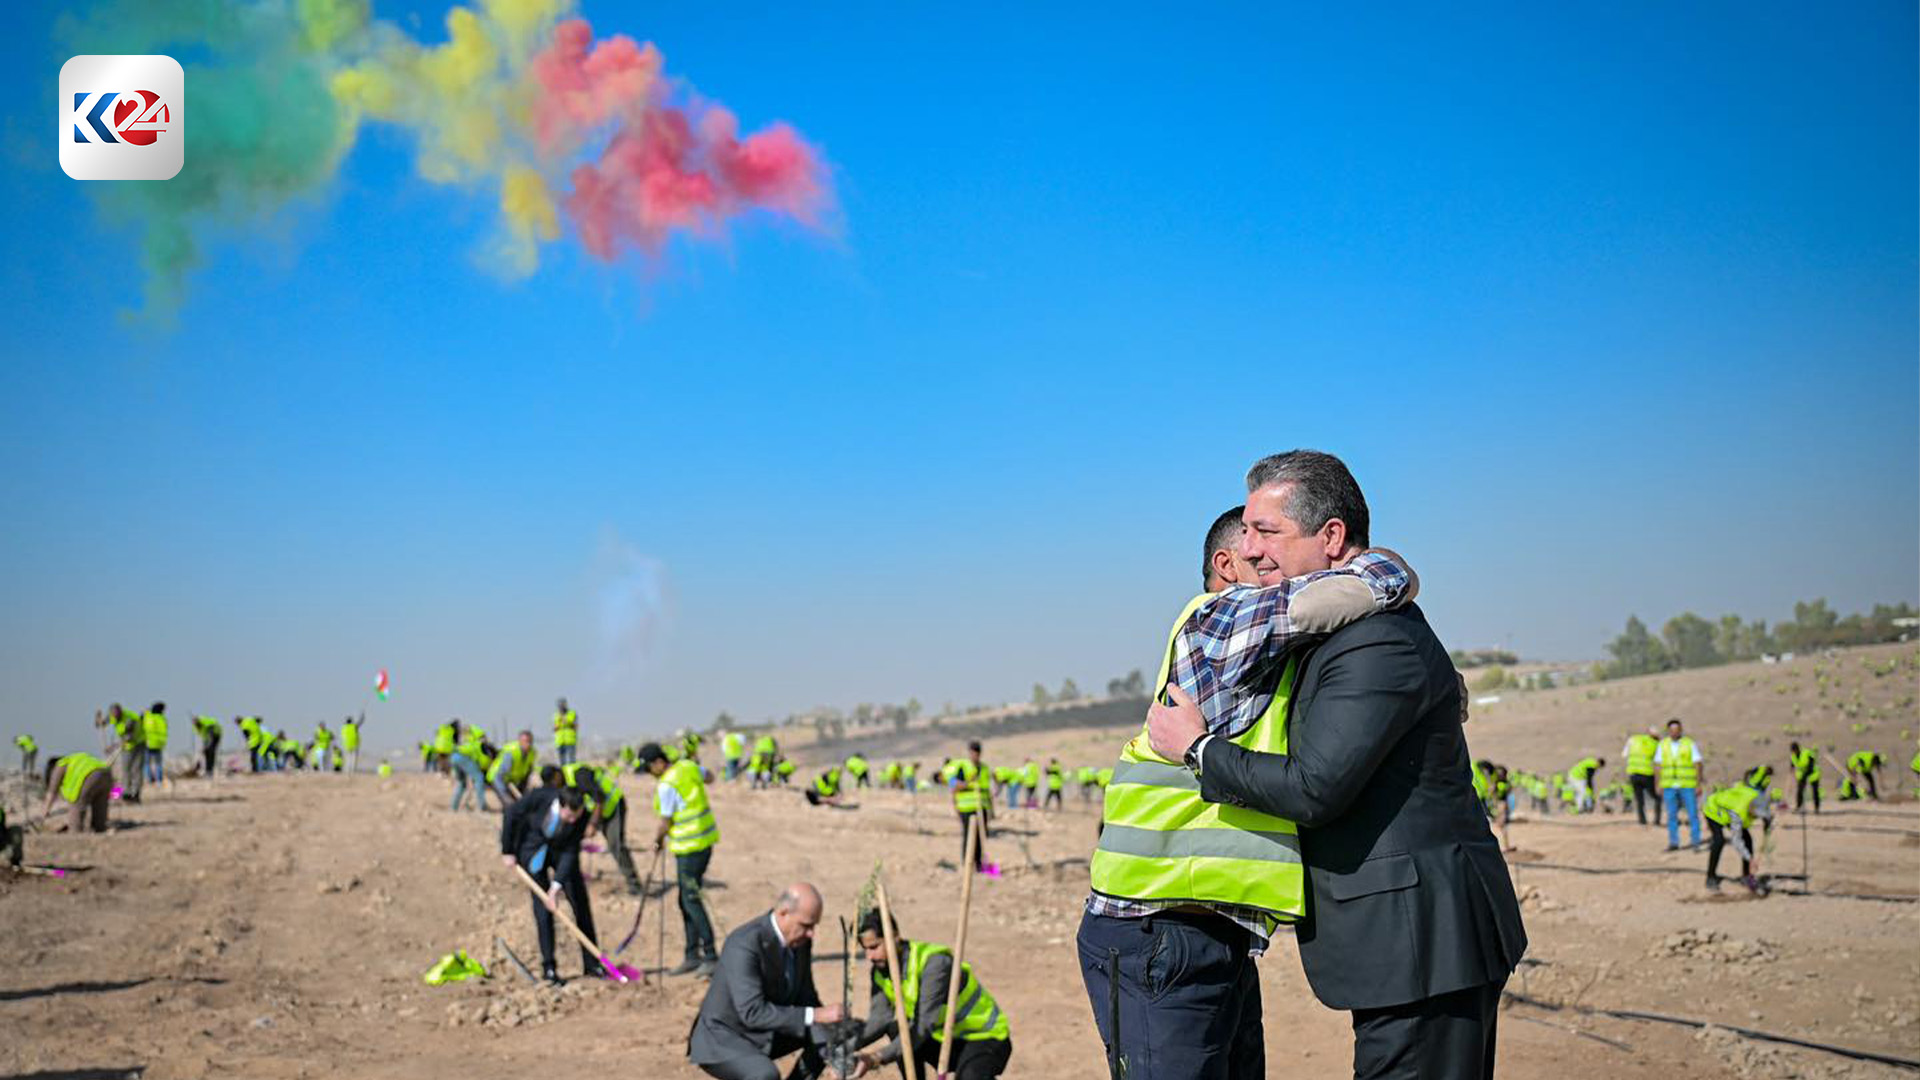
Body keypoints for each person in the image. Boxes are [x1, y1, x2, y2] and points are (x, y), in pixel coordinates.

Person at [1144, 451, 1525, 1080]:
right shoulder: (1331, 626)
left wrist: (1198, 749)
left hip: (1425, 939)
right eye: (1246, 533)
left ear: (1331, 537)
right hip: (1400, 941)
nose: (1251, 550)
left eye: (1266, 532)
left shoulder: (1375, 640)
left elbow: (1314, 787)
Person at [1084, 499, 1420, 1080]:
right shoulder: (1222, 618)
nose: (1271, 562)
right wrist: (1376, 564)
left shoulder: (1264, 653)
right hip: (1159, 928)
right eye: (1257, 550)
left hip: (1204, 930)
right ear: (1227, 564)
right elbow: (1375, 581)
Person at [688, 883, 843, 1080]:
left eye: (814, 926)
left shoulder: (800, 942)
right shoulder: (745, 943)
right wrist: (816, 1014)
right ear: (783, 913)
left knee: (827, 1034)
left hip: (764, 1031)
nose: (811, 933)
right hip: (724, 1038)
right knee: (764, 1075)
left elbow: (807, 998)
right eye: (806, 925)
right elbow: (752, 1012)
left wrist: (834, 1052)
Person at [849, 908, 1012, 1079]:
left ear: (894, 937)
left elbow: (924, 1024)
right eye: (865, 949)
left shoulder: (935, 964)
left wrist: (876, 1058)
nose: (869, 956)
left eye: (874, 947)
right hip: (945, 1038)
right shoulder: (880, 971)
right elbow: (880, 1020)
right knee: (897, 1029)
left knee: (969, 1076)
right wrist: (845, 1048)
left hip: (984, 1037)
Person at [500, 783, 596, 985]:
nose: (573, 820)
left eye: (576, 817)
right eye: (569, 816)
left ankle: (592, 963)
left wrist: (556, 887)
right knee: (543, 910)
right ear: (560, 806)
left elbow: (571, 852)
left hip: (562, 854)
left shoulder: (581, 816)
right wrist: (507, 851)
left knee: (580, 903)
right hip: (533, 849)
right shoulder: (539, 797)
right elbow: (511, 814)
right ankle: (549, 968)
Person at [641, 741, 721, 974]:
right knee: (684, 899)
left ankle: (710, 955)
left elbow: (666, 821)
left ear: (659, 762)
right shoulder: (687, 766)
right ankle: (691, 955)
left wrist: (657, 841)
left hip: (689, 848)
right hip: (704, 844)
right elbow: (710, 777)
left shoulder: (667, 785)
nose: (649, 773)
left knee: (691, 899)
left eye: (649, 768)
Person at [1702, 768, 1773, 894]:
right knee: (1719, 841)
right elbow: (1736, 841)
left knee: (1748, 840)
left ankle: (1746, 876)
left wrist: (1767, 822)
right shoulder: (1738, 813)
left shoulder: (1756, 797)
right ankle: (1710, 877)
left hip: (1727, 807)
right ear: (1751, 809)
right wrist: (1750, 859)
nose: (1756, 818)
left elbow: (1764, 810)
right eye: (1756, 815)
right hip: (1713, 809)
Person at [1656, 718, 1704, 851]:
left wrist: (1698, 784)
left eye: (1677, 730)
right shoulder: (1663, 744)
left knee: (1692, 814)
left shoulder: (1689, 743)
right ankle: (1674, 843)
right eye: (1671, 730)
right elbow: (1658, 765)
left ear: (1681, 730)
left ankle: (1696, 842)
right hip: (1669, 785)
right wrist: (1658, 783)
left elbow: (1698, 764)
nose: (1674, 732)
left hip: (1687, 785)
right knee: (1671, 815)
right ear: (1668, 731)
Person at [42, 751, 115, 833]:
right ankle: (100, 829)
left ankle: (75, 832)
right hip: (106, 773)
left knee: (77, 809)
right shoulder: (75, 759)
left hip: (91, 776)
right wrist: (116, 795)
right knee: (99, 813)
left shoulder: (60, 765)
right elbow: (117, 787)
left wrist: (45, 812)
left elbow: (51, 793)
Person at [946, 742, 992, 872]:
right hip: (966, 808)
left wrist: (990, 809)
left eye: (977, 753)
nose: (975, 755)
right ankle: (967, 863)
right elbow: (953, 785)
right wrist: (968, 782)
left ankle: (979, 864)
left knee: (980, 836)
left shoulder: (984, 768)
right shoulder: (962, 767)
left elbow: (987, 790)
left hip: (981, 807)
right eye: (973, 752)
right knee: (969, 836)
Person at [1621, 728, 1660, 825]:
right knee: (1657, 797)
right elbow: (1659, 761)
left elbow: (1624, 755)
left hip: (1633, 773)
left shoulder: (1633, 739)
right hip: (1647, 773)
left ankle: (1642, 821)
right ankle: (1657, 820)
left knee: (1639, 799)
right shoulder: (1655, 743)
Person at [489, 730, 539, 804]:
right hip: (497, 778)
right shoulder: (511, 752)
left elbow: (529, 770)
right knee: (509, 803)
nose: (528, 744)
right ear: (519, 741)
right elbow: (501, 774)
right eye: (525, 741)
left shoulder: (532, 753)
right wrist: (505, 793)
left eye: (530, 741)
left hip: (513, 780)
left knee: (519, 803)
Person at [1789, 741, 1822, 813]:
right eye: (1792, 751)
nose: (1794, 752)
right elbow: (1793, 763)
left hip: (1813, 773)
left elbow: (1811, 764)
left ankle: (1816, 808)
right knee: (1799, 791)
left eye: (1794, 750)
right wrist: (1791, 768)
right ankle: (1798, 806)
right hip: (1802, 774)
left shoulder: (1806, 752)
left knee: (1815, 791)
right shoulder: (1793, 756)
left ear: (1798, 749)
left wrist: (1805, 774)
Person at [553, 697, 578, 766]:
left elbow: (575, 726)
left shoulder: (572, 713)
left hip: (570, 741)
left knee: (571, 762)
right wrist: (557, 725)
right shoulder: (556, 715)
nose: (561, 707)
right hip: (560, 741)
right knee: (562, 762)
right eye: (560, 705)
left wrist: (566, 720)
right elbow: (555, 728)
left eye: (562, 705)